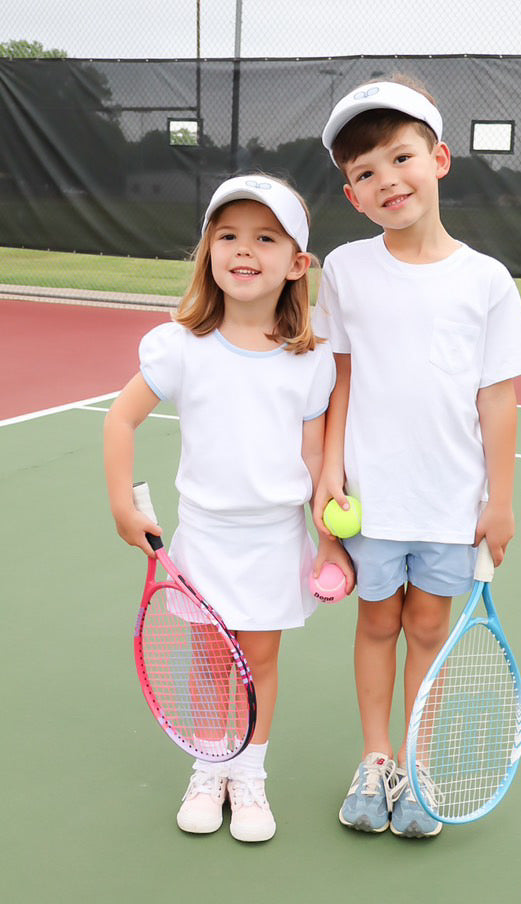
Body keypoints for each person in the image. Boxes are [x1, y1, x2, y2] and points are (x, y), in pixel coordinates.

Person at [312, 76, 521, 838]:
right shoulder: (344, 269)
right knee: (376, 624)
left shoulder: (486, 281)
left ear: (439, 159)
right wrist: (327, 473)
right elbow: (338, 379)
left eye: (400, 157)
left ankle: (418, 763)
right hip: (371, 499)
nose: (387, 180)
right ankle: (376, 758)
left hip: (450, 502)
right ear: (351, 196)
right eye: (364, 173)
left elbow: (497, 400)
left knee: (427, 632)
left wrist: (499, 501)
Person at [104, 174, 352, 843]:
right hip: (205, 541)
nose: (245, 250)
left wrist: (328, 540)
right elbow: (120, 422)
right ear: (209, 251)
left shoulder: (311, 362)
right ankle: (210, 765)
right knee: (212, 663)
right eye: (229, 235)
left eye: (266, 238)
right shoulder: (180, 347)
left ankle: (250, 776)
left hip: (275, 541)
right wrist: (124, 505)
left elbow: (312, 465)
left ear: (297, 263)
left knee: (260, 660)